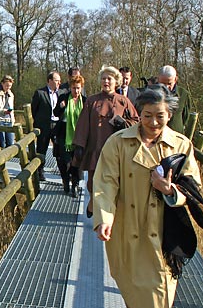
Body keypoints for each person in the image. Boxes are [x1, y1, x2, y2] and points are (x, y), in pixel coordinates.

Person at [92, 86, 201, 308]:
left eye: (160, 117)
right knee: (128, 278)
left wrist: (169, 190)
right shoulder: (118, 142)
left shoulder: (181, 144)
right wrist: (104, 218)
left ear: (170, 115)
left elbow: (193, 187)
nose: (153, 123)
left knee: (161, 286)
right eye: (148, 115)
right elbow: (105, 183)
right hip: (125, 224)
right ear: (139, 113)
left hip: (163, 229)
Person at [72, 65, 139, 218]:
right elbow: (83, 124)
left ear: (116, 81)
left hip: (116, 149)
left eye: (109, 79)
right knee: (94, 182)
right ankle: (93, 203)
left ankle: (109, 212)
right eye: (103, 79)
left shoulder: (123, 101)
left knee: (114, 182)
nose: (106, 82)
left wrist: (124, 124)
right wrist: (79, 145)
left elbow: (136, 121)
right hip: (95, 147)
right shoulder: (91, 101)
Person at [53, 74, 86, 196]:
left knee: (77, 162)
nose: (76, 91)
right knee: (65, 162)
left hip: (79, 135)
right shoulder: (64, 97)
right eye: (73, 88)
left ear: (81, 88)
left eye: (78, 88)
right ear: (70, 88)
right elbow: (55, 113)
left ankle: (75, 185)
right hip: (64, 134)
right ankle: (65, 180)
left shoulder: (85, 101)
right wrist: (61, 107)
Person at [31, 71, 62, 181]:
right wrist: (40, 122)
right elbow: (34, 110)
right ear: (49, 81)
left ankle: (62, 171)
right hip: (44, 125)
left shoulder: (61, 93)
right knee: (41, 149)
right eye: (56, 80)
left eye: (59, 80)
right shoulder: (40, 93)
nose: (59, 82)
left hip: (57, 125)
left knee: (59, 148)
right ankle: (40, 171)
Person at [157, 65, 191, 134]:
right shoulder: (150, 93)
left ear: (175, 79)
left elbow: (186, 116)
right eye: (163, 83)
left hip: (176, 135)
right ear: (158, 79)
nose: (166, 87)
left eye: (169, 83)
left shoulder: (183, 94)